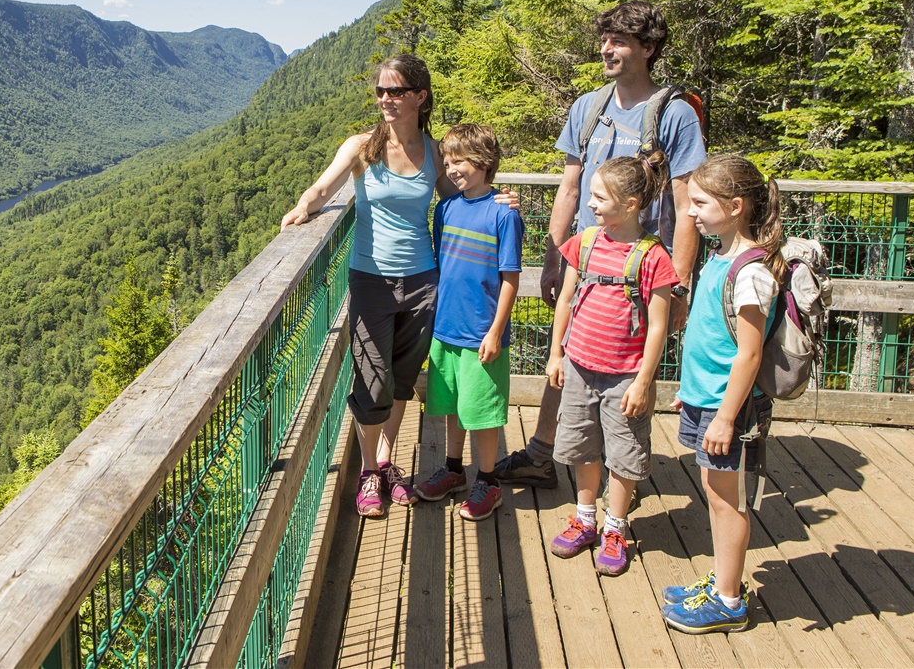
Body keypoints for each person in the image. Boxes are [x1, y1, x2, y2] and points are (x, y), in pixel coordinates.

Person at [495, 0, 706, 489]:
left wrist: (679, 285)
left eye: (619, 41)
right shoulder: (588, 107)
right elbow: (569, 188)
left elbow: (687, 202)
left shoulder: (675, 114)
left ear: (648, 48)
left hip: (642, 268)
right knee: (571, 354)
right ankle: (544, 453)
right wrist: (554, 256)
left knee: (634, 367)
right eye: (605, 39)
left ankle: (621, 477)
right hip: (587, 260)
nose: (606, 49)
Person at [282, 53, 453, 517]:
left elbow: (460, 200)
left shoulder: (434, 151)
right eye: (380, 91)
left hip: (423, 281)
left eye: (395, 91)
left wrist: (499, 200)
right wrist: (303, 209)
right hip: (371, 279)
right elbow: (321, 189)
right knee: (371, 379)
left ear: (420, 96)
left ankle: (383, 465)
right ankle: (367, 473)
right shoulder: (362, 147)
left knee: (399, 381)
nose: (385, 99)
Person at [660, 154, 782, 633]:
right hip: (706, 398)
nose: (690, 212)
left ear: (734, 206)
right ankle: (723, 579)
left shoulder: (751, 271)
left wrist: (726, 416)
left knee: (725, 499)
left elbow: (749, 355)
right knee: (715, 493)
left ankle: (730, 600)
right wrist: (691, 394)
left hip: (729, 407)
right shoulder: (719, 256)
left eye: (700, 203)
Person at [544, 155, 677, 575]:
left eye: (600, 197)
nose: (591, 204)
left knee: (624, 452)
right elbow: (565, 300)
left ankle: (615, 527)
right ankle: (585, 518)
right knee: (582, 443)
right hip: (581, 366)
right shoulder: (584, 243)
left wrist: (644, 381)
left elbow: (658, 326)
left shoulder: (653, 257)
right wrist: (555, 353)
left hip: (625, 375)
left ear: (633, 203)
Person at [413, 124, 523, 522]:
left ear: (483, 162)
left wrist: (495, 331)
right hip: (446, 328)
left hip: (481, 332)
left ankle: (489, 481)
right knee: (453, 406)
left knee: (483, 410)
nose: (450, 168)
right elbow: (443, 265)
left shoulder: (504, 214)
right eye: (447, 160)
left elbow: (510, 277)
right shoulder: (445, 208)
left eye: (458, 161)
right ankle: (454, 470)